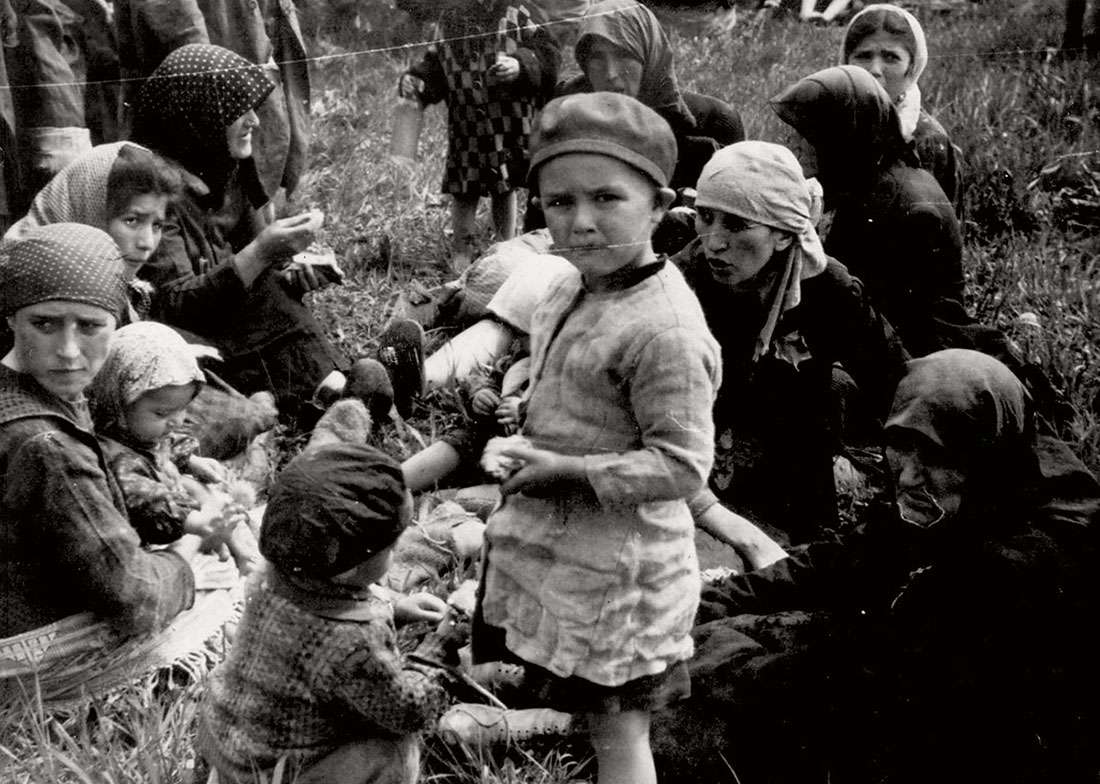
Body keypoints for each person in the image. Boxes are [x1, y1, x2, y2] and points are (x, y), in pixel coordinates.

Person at [650, 349, 1100, 784]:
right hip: (912, 662)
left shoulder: (1025, 561)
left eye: (935, 456)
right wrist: (699, 605)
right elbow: (840, 561)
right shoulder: (959, 495)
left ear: (984, 458)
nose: (907, 475)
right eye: (901, 447)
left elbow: (877, 677)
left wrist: (716, 664)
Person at [473, 92, 721, 784]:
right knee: (586, 693)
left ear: (660, 204)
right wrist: (524, 419)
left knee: (620, 730)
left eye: (607, 198)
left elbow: (682, 467)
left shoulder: (664, 328)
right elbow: (567, 383)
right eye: (559, 203)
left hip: (623, 576)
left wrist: (564, 469)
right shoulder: (567, 287)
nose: (580, 222)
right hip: (573, 555)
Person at [674, 141, 908, 547]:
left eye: (736, 224)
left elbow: (896, 382)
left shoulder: (829, 289)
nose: (713, 242)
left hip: (792, 466)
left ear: (784, 236)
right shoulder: (681, 284)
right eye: (705, 218)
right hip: (701, 466)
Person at [198, 443, 465, 784]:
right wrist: (438, 649)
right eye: (392, 547)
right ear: (345, 572)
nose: (396, 552)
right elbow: (408, 710)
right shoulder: (353, 644)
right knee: (395, 747)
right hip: (276, 773)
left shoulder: (269, 578)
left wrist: (393, 610)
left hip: (229, 749)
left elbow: (311, 628)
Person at [131, 44, 347, 428]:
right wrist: (262, 253)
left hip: (235, 324)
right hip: (190, 338)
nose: (254, 121)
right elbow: (172, 306)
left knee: (274, 293)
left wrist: (293, 270)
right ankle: (327, 396)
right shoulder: (153, 191)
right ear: (198, 116)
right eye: (236, 111)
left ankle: (327, 392)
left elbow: (259, 267)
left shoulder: (229, 170)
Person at [0, 223, 197, 641]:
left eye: (90, 326)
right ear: (12, 317)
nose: (69, 351)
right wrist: (188, 554)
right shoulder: (46, 445)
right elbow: (136, 599)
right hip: (27, 644)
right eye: (45, 324)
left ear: (118, 321)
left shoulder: (33, 390)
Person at [770, 65, 967, 358]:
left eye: (806, 133)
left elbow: (882, 326)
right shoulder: (867, 178)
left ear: (841, 137)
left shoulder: (906, 209)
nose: (793, 144)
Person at [400, 0, 560, 269]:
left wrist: (520, 64)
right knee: (464, 186)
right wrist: (418, 81)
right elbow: (435, 64)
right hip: (467, 122)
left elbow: (548, 54)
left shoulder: (520, 13)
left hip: (505, 120)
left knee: (503, 184)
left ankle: (505, 247)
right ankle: (462, 250)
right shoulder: (450, 17)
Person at [89, 321, 257, 570]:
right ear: (119, 406)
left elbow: (166, 445)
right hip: (154, 523)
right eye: (162, 413)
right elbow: (147, 499)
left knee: (200, 489)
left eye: (184, 408)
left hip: (172, 495)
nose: (177, 421)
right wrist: (196, 522)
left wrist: (192, 460)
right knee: (201, 497)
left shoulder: (142, 432)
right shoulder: (117, 457)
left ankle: (239, 550)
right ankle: (223, 545)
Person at [114, 0, 310, 204]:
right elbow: (180, 30)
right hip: (203, 114)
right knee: (194, 203)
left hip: (239, 98)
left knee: (246, 202)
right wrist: (218, 101)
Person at [560, 0, 745, 191]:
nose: (611, 73)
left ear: (649, 55)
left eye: (624, 55)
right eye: (597, 58)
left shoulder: (714, 123)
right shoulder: (569, 115)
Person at [4, 142, 182, 287]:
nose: (148, 243)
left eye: (157, 225)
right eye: (132, 221)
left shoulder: (107, 281)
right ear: (87, 208)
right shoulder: (27, 279)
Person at [840, 3, 961, 204]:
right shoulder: (825, 122)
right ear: (845, 61)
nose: (875, 69)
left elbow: (947, 225)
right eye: (863, 56)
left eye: (891, 57)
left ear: (912, 67)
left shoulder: (927, 139)